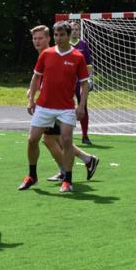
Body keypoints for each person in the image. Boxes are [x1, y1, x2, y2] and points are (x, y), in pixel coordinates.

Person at [19, 21, 89, 193]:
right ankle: (32, 176)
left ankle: (68, 179)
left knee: (66, 140)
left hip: (66, 107)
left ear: (68, 35)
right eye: (56, 35)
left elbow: (85, 85)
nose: (58, 38)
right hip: (44, 106)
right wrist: (31, 99)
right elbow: (36, 78)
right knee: (32, 140)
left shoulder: (77, 57)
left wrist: (81, 106)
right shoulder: (46, 54)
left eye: (62, 35)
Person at [70, 21, 94, 144]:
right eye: (72, 29)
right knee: (62, 106)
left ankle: (85, 135)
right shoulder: (63, 45)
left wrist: (87, 79)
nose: (75, 31)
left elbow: (89, 65)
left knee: (82, 106)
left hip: (80, 81)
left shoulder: (83, 45)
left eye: (77, 29)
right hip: (66, 81)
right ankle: (56, 132)